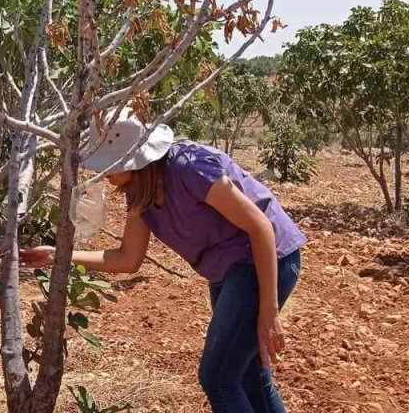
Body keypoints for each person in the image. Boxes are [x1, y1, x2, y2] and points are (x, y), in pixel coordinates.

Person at [21, 114, 307, 413]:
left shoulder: (190, 168)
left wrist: (268, 312)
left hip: (263, 258)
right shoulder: (139, 193)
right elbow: (127, 258)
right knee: (246, 371)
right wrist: (57, 257)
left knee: (218, 378)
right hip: (226, 271)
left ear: (135, 159)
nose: (103, 172)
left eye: (109, 162)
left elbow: (261, 226)